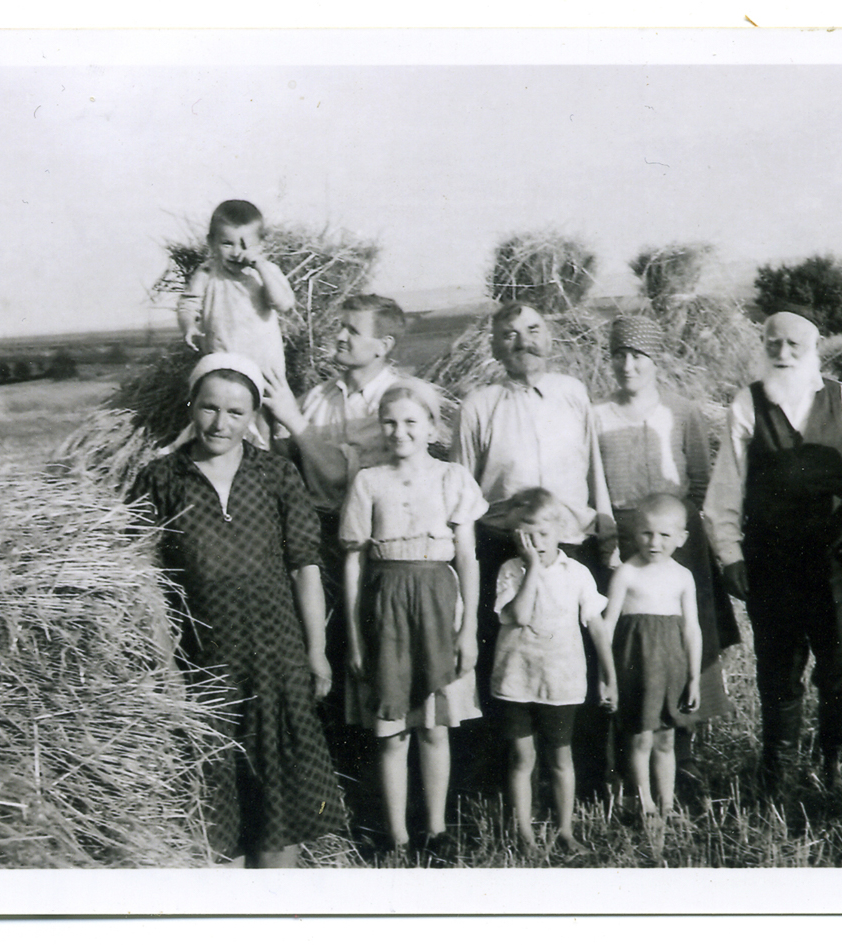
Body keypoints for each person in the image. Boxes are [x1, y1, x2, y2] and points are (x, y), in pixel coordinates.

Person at [131, 353, 345, 867]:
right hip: (204, 662)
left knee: (281, 798)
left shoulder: (276, 474)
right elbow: (146, 581)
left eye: (235, 412)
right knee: (217, 800)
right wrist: (166, 667)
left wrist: (316, 652)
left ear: (252, 416)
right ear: (191, 406)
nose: (220, 423)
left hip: (277, 660)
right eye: (210, 408)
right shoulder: (161, 479)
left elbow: (304, 567)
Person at [704, 311, 842, 796]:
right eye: (773, 344)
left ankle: (840, 766)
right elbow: (725, 490)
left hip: (835, 559)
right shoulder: (747, 404)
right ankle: (777, 773)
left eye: (793, 344)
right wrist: (730, 555)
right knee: (778, 668)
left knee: (840, 664)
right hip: (770, 560)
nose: (783, 353)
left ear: (813, 347)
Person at [450, 302, 617, 796]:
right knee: (507, 662)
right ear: (494, 346)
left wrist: (606, 527)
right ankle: (502, 784)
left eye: (533, 329)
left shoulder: (573, 393)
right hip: (505, 548)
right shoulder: (479, 405)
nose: (523, 340)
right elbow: (462, 489)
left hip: (571, 545)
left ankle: (584, 783)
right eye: (510, 333)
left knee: (574, 659)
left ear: (550, 338)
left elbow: (594, 467)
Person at [262, 294, 420, 809]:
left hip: (375, 546)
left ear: (384, 344)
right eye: (340, 327)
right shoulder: (319, 397)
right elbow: (286, 464)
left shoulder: (396, 403)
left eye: (353, 329)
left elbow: (339, 479)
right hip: (316, 540)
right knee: (323, 659)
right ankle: (332, 793)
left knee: (372, 662)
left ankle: (382, 799)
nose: (341, 336)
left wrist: (295, 425)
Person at [338, 379, 486, 862]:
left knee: (435, 725)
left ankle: (437, 830)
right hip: (386, 608)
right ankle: (397, 836)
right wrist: (355, 639)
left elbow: (467, 559)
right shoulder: (368, 481)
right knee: (392, 730)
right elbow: (354, 562)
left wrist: (468, 630)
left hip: (439, 604)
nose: (399, 431)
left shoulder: (452, 478)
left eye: (410, 422)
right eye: (389, 422)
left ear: (432, 427)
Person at [593, 314, 735, 790]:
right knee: (630, 644)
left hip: (677, 539)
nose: (628, 365)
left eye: (638, 356)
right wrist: (612, 540)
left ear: (655, 361)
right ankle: (622, 761)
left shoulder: (683, 411)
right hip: (623, 542)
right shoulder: (597, 415)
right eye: (619, 355)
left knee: (681, 639)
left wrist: (678, 535)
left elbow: (700, 480)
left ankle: (681, 751)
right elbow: (596, 484)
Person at [491, 488, 613, 854]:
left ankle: (565, 831)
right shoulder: (511, 571)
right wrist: (531, 568)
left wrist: (609, 674)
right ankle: (524, 834)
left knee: (561, 758)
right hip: (516, 679)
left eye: (543, 534)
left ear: (560, 530)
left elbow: (596, 626)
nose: (535, 543)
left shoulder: (576, 573)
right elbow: (518, 615)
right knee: (522, 759)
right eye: (525, 536)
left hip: (561, 681)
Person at [600, 493, 701, 823]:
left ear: (682, 537)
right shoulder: (627, 573)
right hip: (636, 667)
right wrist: (606, 676)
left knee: (666, 739)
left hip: (672, 668)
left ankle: (667, 804)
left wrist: (694, 677)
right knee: (641, 737)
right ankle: (644, 804)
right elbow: (607, 626)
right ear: (634, 533)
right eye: (646, 533)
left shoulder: (682, 576)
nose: (654, 543)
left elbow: (692, 630)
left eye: (664, 535)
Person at [176, 199, 296, 446]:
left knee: (264, 425)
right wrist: (189, 326)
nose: (237, 252)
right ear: (211, 243)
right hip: (225, 368)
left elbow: (283, 303)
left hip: (264, 369)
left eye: (246, 244)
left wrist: (260, 265)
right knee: (227, 422)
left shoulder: (266, 272)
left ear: (261, 244)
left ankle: (266, 462)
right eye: (227, 243)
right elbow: (188, 303)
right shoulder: (207, 274)